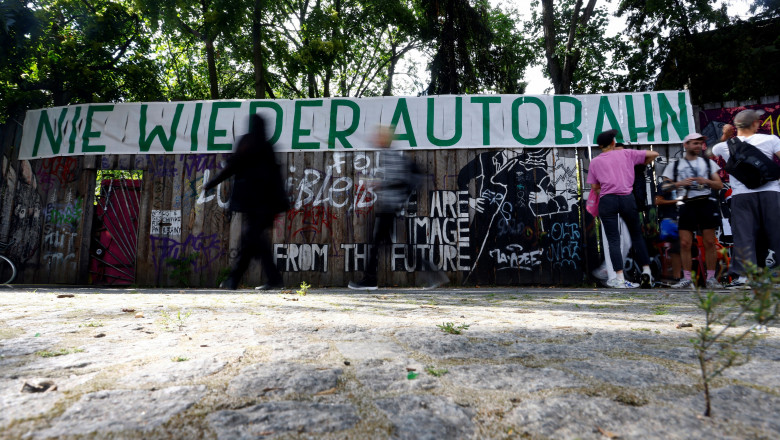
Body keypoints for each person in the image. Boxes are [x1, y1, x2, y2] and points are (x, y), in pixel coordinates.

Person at [348, 126, 447, 290]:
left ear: (384, 139)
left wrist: (377, 183)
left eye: (378, 136)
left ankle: (370, 280)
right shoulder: (389, 153)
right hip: (389, 207)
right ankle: (433, 274)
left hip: (389, 207)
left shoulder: (390, 155)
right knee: (393, 244)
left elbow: (397, 180)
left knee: (377, 243)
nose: (374, 138)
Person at [204, 114, 289, 290]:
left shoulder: (248, 142)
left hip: (254, 204)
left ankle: (235, 279)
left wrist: (212, 183)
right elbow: (275, 177)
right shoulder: (267, 146)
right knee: (253, 241)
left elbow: (232, 166)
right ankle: (266, 279)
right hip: (265, 205)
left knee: (251, 240)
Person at [711, 109, 780, 289]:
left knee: (744, 235)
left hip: (742, 195)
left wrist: (725, 135)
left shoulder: (725, 146)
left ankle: (744, 277)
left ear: (735, 127)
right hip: (771, 192)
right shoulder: (771, 139)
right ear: (756, 124)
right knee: (775, 232)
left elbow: (710, 154)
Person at [587, 129, 659, 288]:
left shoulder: (595, 161)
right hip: (627, 198)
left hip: (607, 201)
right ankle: (646, 272)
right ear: (613, 143)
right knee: (636, 236)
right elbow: (654, 154)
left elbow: (594, 186)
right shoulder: (626, 154)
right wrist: (637, 164)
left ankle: (619, 279)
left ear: (600, 146)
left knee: (613, 240)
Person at [661, 133, 723, 289]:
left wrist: (706, 181)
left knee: (709, 242)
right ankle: (687, 279)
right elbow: (664, 187)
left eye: (700, 143)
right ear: (685, 145)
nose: (698, 146)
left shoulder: (708, 164)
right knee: (685, 243)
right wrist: (679, 183)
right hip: (686, 204)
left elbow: (719, 185)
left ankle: (711, 278)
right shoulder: (675, 165)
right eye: (694, 143)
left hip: (705, 203)